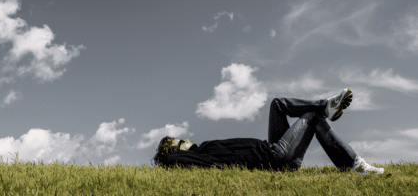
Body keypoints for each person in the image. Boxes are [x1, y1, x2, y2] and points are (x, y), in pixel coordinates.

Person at [153, 89, 385, 174]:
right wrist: (166, 153)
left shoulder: (204, 148)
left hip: (270, 147)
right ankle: (354, 165)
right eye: (179, 142)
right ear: (174, 150)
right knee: (313, 118)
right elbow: (169, 161)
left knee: (277, 104)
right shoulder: (190, 158)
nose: (185, 140)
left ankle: (326, 105)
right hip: (274, 158)